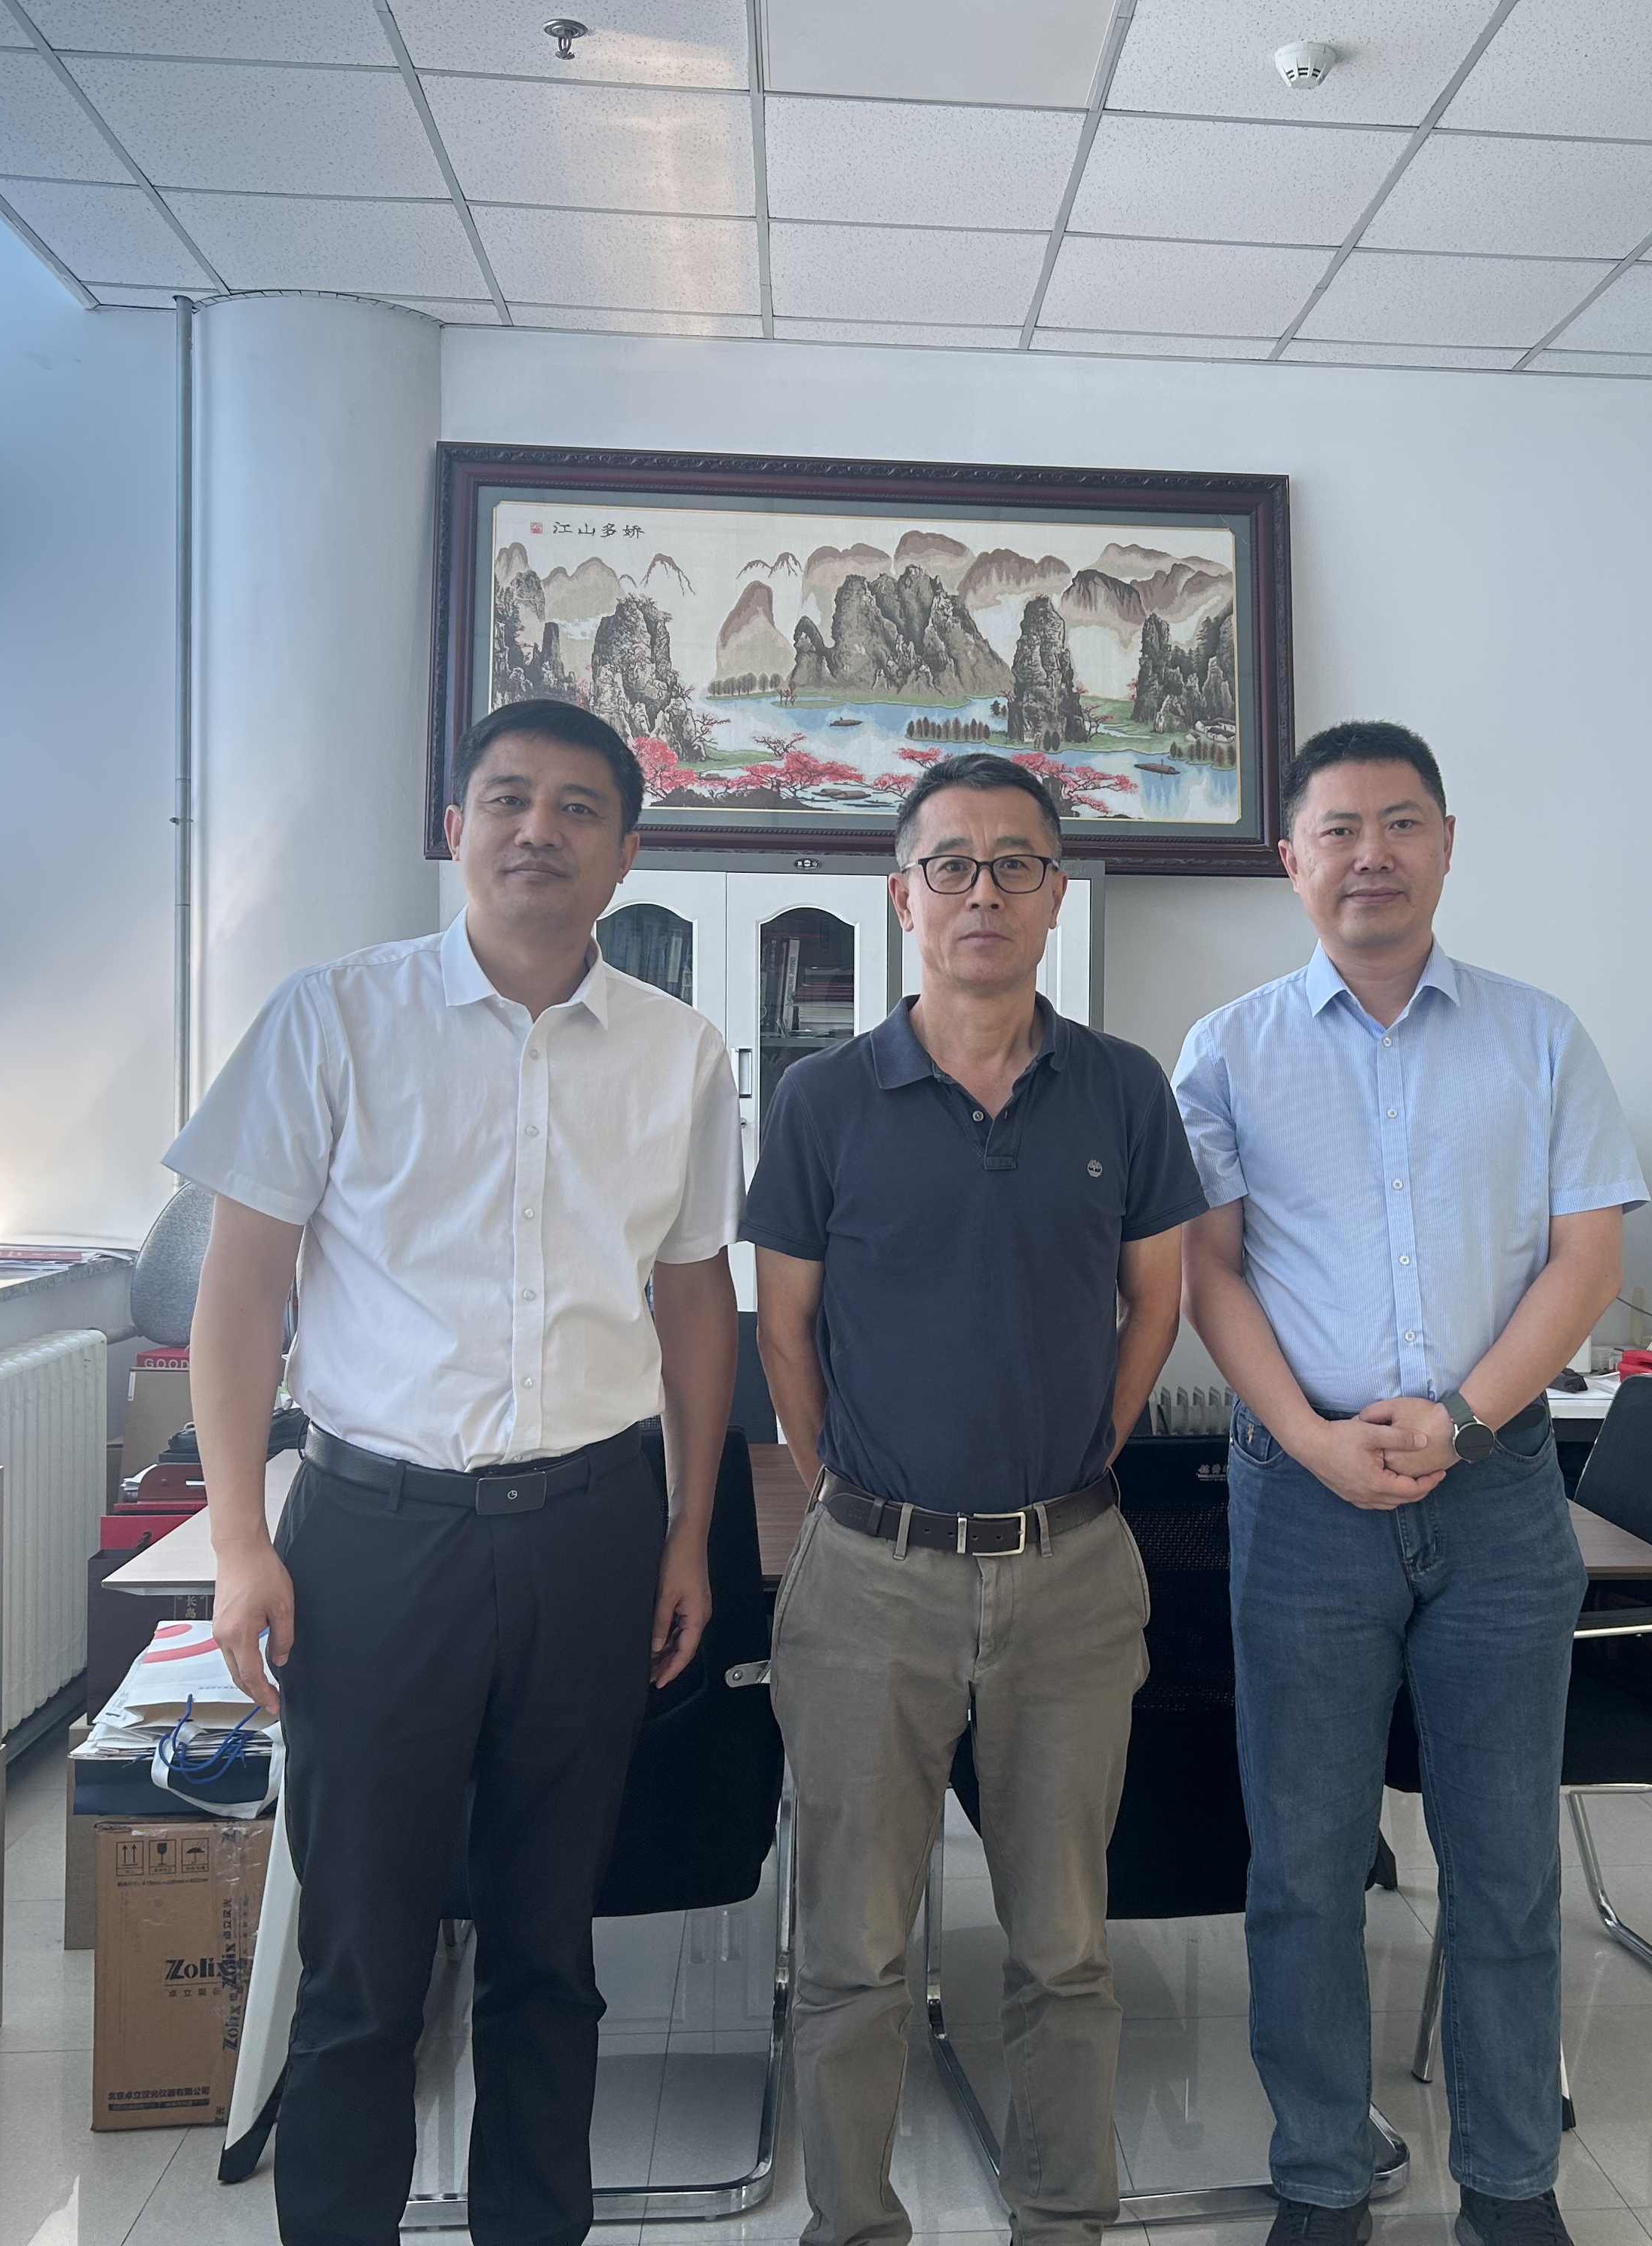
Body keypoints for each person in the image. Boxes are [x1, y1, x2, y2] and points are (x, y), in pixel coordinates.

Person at [172, 697, 742, 2246]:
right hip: (377, 1538)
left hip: (591, 1534)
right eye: (506, 800)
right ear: (455, 829)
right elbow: (241, 1293)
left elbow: (695, 1297)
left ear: (625, 854)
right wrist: (241, 1541)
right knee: (363, 1960)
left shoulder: (682, 1053)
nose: (537, 831)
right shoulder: (332, 1017)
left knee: (551, 1952)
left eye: (577, 808)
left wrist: (690, 1528)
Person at [1172, 722, 1643, 2246]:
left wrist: (1460, 1419)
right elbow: (1208, 1275)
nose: (1368, 854)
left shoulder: (1540, 1038)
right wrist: (1314, 1441)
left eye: (1400, 823)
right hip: (1300, 1494)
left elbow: (1586, 1261)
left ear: (1446, 844)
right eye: (1338, 828)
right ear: (1289, 858)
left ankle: (1510, 2185)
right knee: (1305, 1863)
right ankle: (1321, 2175)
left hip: (1498, 1491)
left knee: (1503, 1861)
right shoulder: (1226, 1050)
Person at [746, 751, 1206, 2246]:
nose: (984, 891)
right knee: (853, 1953)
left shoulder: (1124, 1089)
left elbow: (1156, 1302)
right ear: (904, 898)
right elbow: (783, 1327)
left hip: (1071, 1572)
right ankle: (852, 2224)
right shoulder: (823, 1100)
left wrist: (1085, 1456)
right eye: (952, 864)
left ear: (1056, 895)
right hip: (870, 1580)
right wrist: (841, 1488)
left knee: (1065, 1948)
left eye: (1017, 863)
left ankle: (1063, 2217)